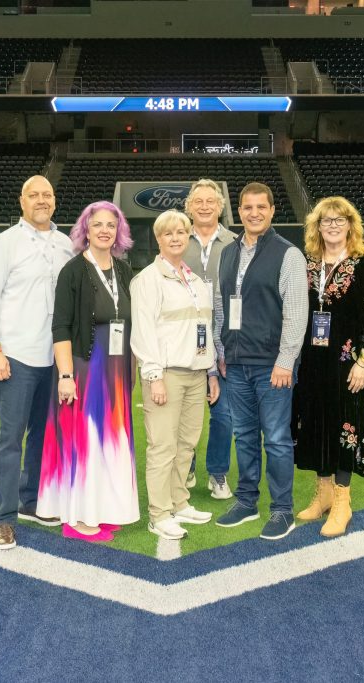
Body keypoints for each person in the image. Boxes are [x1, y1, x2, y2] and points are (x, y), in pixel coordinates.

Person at [0, 175, 74, 550]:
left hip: (54, 357)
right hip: (16, 356)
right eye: (33, 195)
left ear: (54, 200)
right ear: (21, 202)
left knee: (44, 436)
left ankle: (30, 500)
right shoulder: (6, 243)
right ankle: (3, 518)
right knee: (10, 438)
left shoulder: (65, 244)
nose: (41, 200)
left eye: (47, 195)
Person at [37, 201, 139, 542]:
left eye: (111, 224)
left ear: (119, 231)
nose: (105, 230)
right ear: (85, 230)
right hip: (84, 367)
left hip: (116, 372)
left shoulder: (123, 270)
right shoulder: (73, 271)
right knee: (86, 441)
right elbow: (61, 326)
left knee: (111, 442)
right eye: (97, 224)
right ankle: (78, 517)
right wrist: (66, 376)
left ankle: (105, 507)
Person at [213, 182, 309, 541]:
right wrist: (223, 352)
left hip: (272, 366)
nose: (254, 213)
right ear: (238, 211)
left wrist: (286, 361)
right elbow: (223, 305)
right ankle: (246, 501)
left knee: (278, 439)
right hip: (236, 363)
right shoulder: (228, 253)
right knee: (245, 436)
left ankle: (282, 509)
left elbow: (297, 313)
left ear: (272, 211)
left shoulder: (288, 254)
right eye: (247, 207)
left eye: (261, 207)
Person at [291, 197, 364, 537]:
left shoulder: (362, 265)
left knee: (344, 425)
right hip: (313, 362)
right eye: (325, 221)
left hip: (347, 364)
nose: (332, 225)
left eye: (338, 220)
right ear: (317, 227)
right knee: (316, 423)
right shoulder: (308, 263)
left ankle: (343, 501)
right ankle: (324, 493)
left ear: (350, 225)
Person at [131, 209, 219, 540]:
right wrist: (154, 377)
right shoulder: (147, 280)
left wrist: (210, 372)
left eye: (181, 232)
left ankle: (179, 502)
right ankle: (159, 513)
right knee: (162, 447)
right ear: (158, 239)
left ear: (188, 236)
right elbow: (143, 334)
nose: (176, 237)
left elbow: (205, 329)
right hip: (166, 375)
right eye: (168, 233)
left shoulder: (196, 281)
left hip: (196, 375)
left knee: (186, 445)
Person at [182, 179, 237, 499]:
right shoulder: (177, 237)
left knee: (224, 412)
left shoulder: (235, 242)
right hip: (183, 338)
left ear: (220, 206)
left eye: (211, 201)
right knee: (184, 410)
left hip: (224, 338)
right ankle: (186, 466)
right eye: (198, 201)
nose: (204, 206)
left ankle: (217, 473)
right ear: (189, 206)